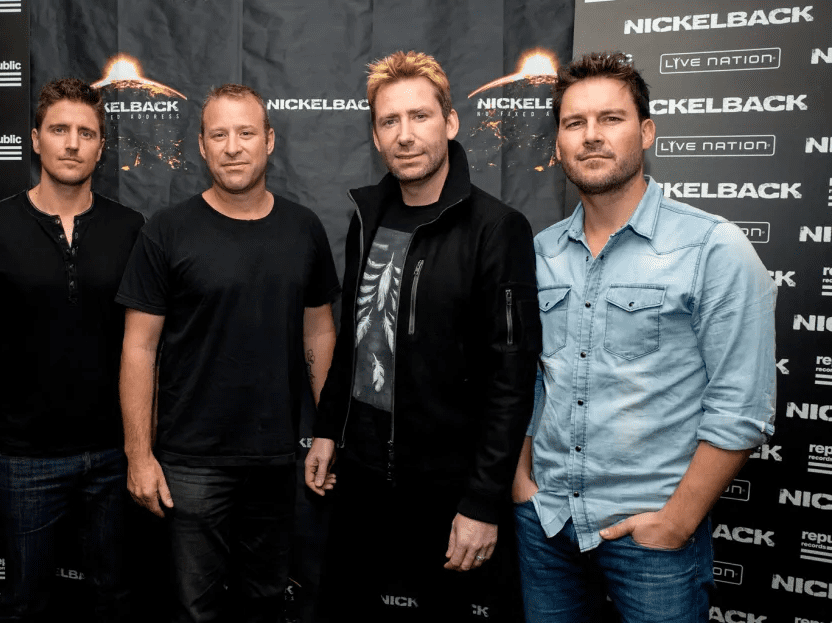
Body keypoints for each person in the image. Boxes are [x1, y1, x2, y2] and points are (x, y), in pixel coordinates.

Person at [511, 51, 777, 623]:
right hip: (547, 526)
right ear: (558, 144)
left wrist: (677, 522)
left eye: (611, 118)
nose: (591, 136)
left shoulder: (713, 249)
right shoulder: (540, 253)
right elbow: (531, 378)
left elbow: (741, 406)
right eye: (574, 123)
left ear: (647, 132)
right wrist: (522, 485)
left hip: (652, 539)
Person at [305, 50, 540, 621]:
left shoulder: (497, 229)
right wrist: (328, 429)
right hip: (363, 479)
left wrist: (481, 501)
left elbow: (511, 382)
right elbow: (358, 338)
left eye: (420, 116)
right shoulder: (367, 219)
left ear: (450, 122)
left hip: (449, 490)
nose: (405, 135)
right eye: (390, 121)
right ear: (375, 136)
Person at [117, 83, 339, 623]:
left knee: (264, 602)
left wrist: (328, 429)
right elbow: (139, 348)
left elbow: (318, 332)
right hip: (190, 462)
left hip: (274, 459)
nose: (233, 147)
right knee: (195, 610)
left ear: (269, 140)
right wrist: (138, 456)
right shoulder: (166, 230)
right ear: (201, 145)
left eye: (245, 133)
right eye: (219, 135)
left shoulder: (303, 227)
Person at [0, 77, 145, 621]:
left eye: (86, 133)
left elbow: (148, 345)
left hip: (113, 456)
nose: (72, 144)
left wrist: (141, 446)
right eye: (59, 130)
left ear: (101, 146)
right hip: (24, 458)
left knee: (117, 600)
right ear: (35, 139)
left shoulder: (131, 229)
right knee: (25, 604)